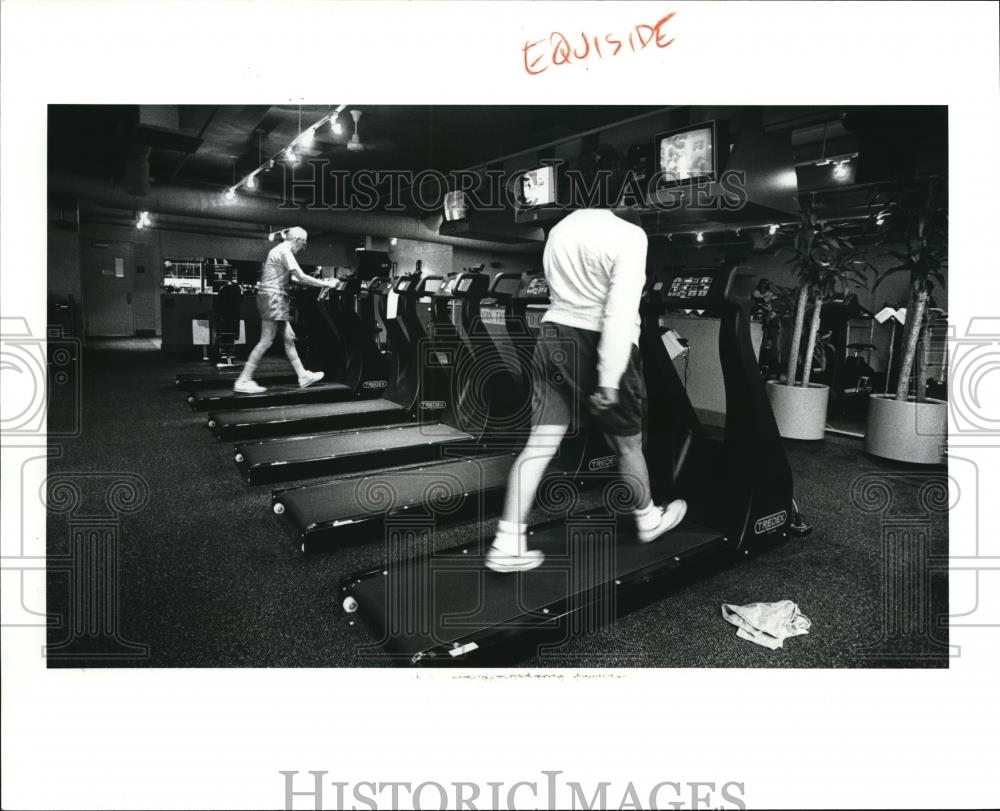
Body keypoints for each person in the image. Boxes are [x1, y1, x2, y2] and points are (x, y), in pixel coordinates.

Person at [485, 146, 687, 573]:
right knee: (627, 443)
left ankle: (507, 542)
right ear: (623, 188)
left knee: (540, 444)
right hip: (597, 340)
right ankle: (648, 519)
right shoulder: (630, 235)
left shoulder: (559, 229)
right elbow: (617, 312)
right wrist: (610, 379)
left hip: (553, 334)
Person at [233, 227, 337, 394]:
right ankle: (243, 380)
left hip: (275, 296)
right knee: (266, 340)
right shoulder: (284, 251)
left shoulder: (279, 251)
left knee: (289, 337)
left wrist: (322, 282)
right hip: (273, 297)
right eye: (303, 244)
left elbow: (295, 279)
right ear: (297, 240)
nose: (302, 248)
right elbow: (301, 277)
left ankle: (302, 376)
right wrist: (327, 284)